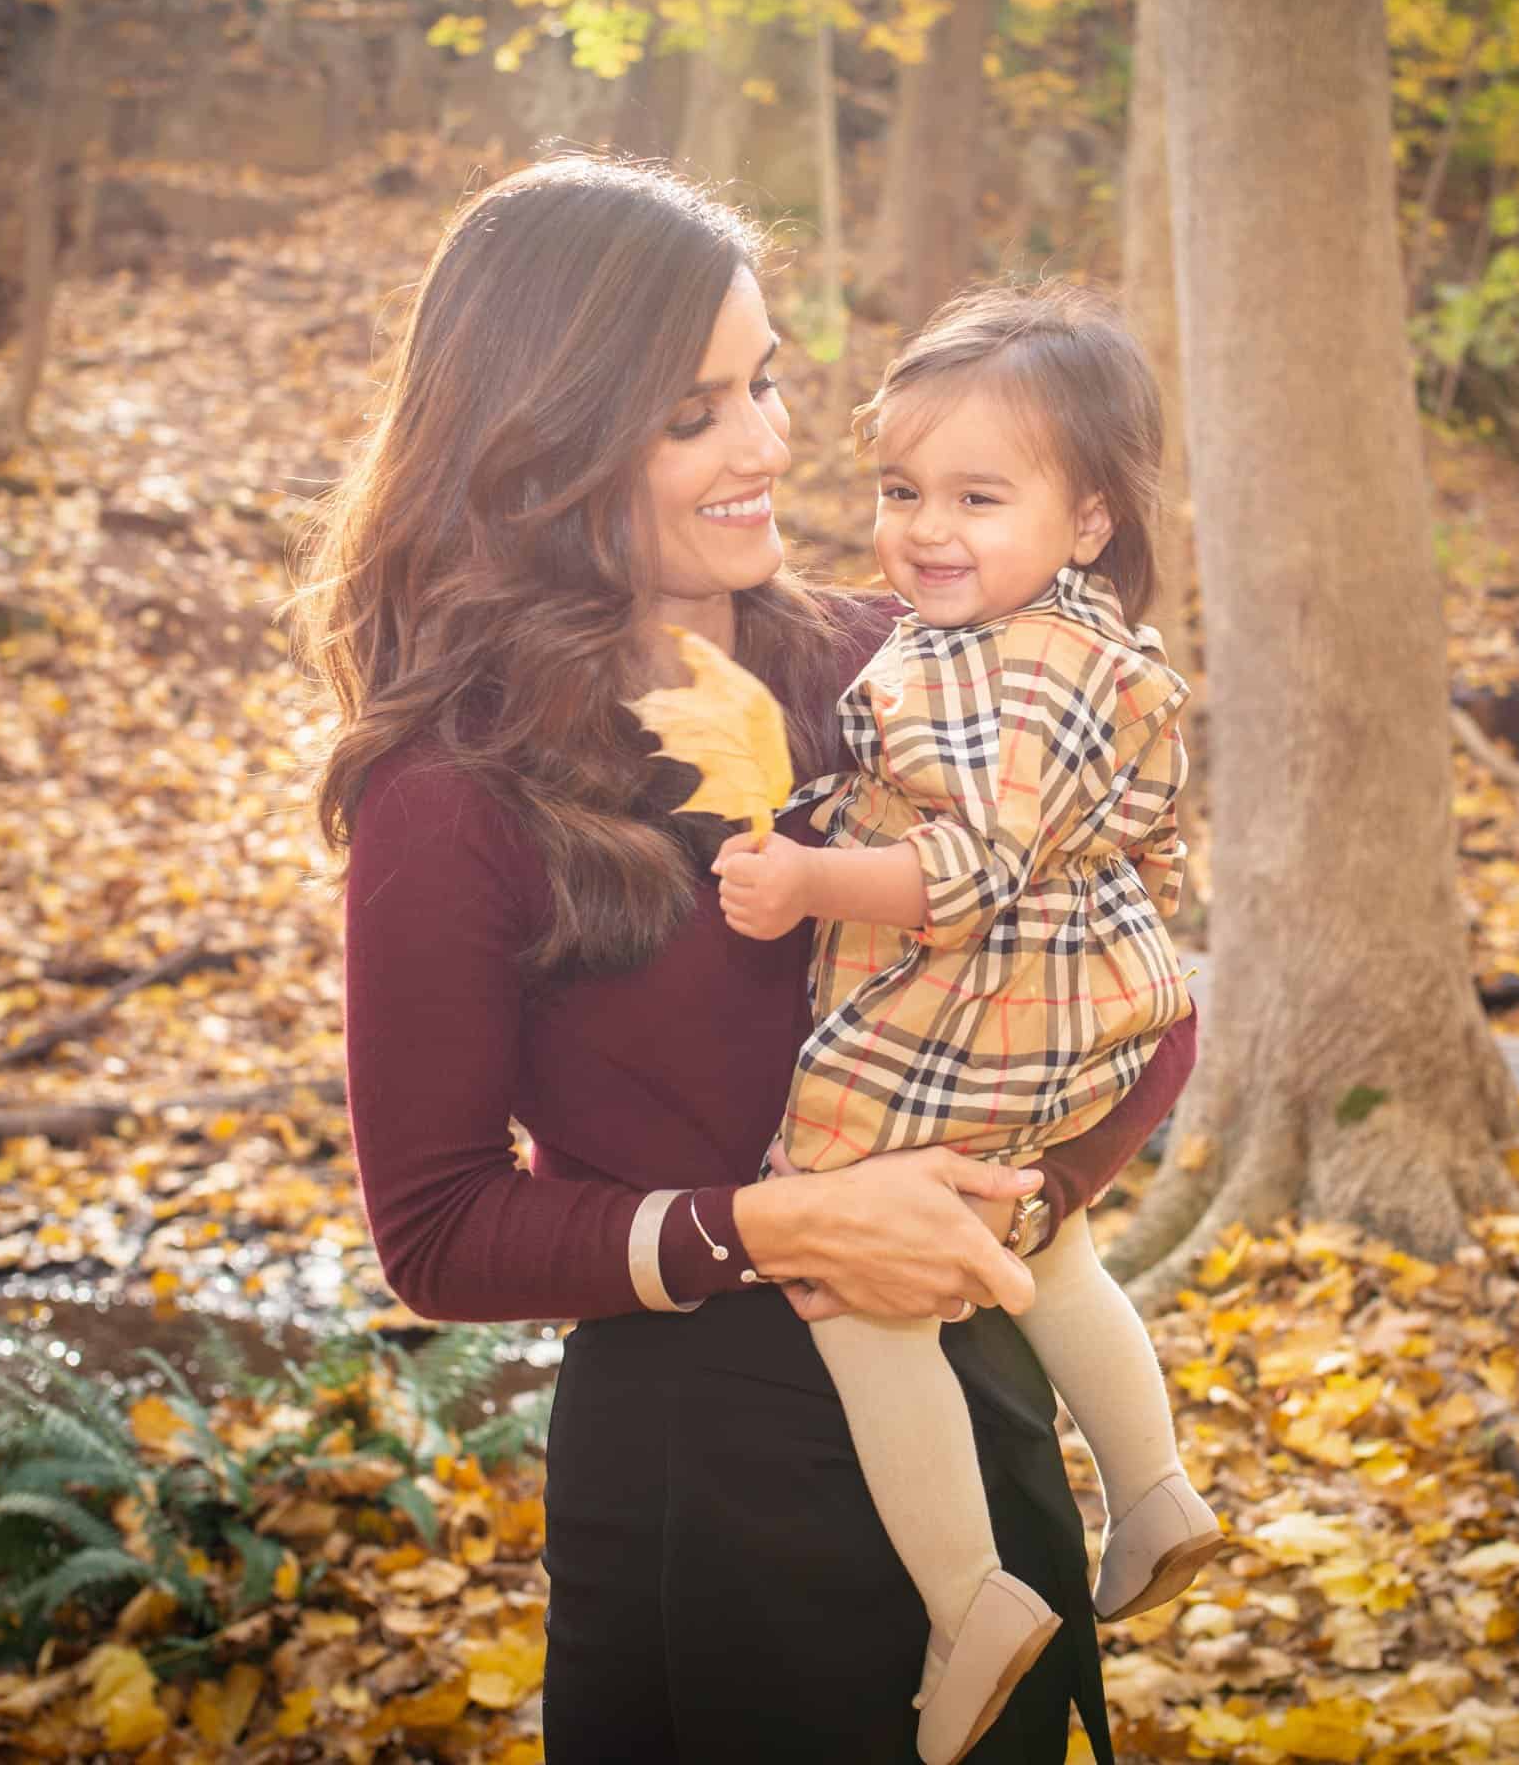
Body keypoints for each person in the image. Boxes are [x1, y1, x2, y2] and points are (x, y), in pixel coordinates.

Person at [292, 155, 1199, 1765]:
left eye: (766, 381)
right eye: (693, 409)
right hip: (709, 1480)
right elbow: (435, 1232)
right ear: (547, 438)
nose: (769, 443)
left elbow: (1140, 999)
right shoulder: (453, 798)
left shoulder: (894, 667)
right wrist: (783, 1225)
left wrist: (1012, 1214)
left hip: (987, 1399)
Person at [709, 288, 1219, 1764]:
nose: (927, 529)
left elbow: (967, 870)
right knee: (1039, 1248)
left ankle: (969, 1598)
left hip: (966, 1017)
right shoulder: (1046, 641)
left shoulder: (1028, 670)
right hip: (1052, 1029)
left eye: (979, 498)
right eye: (900, 490)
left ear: (1087, 523)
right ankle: (1157, 1490)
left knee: (850, 1283)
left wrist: (811, 877)